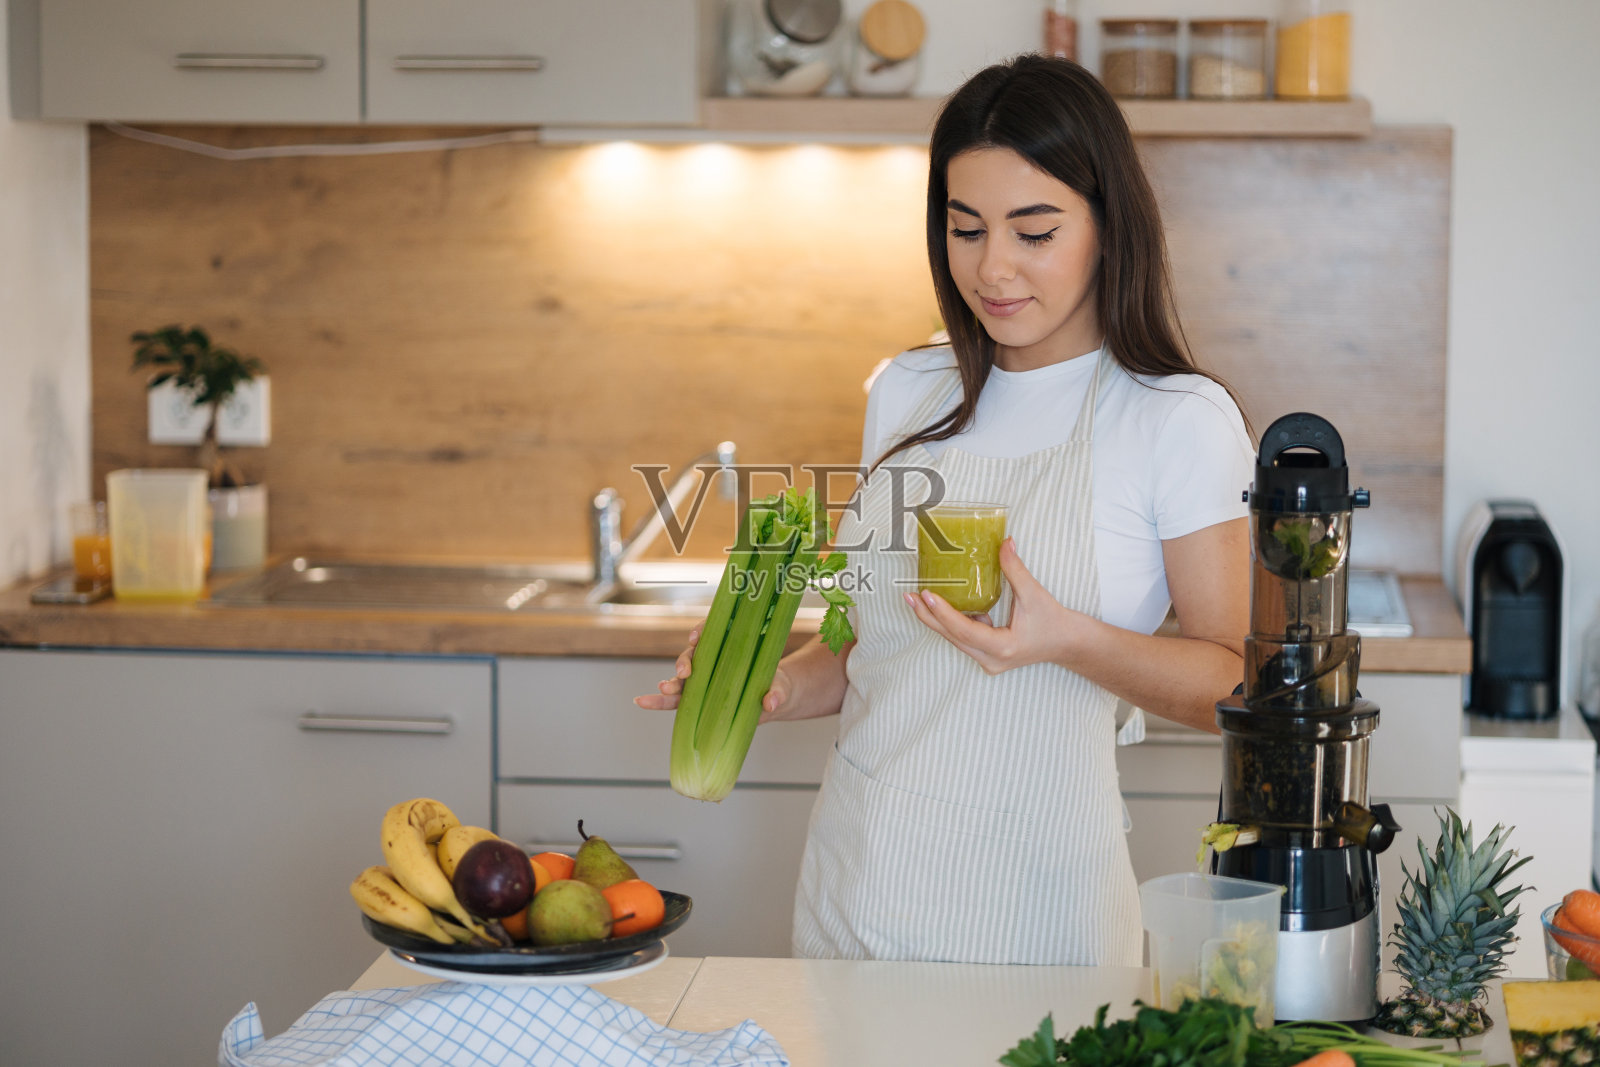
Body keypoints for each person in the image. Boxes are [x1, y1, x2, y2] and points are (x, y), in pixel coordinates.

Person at [636, 54, 1252, 967]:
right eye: (965, 229)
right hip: (860, 891)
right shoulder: (909, 390)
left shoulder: (1177, 420)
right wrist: (774, 686)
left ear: (1108, 227)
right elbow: (874, 646)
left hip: (1040, 917)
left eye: (1033, 232)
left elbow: (1234, 689)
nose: (992, 268)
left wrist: (1065, 639)